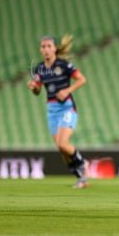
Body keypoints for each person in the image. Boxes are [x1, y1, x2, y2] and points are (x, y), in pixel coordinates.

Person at [28, 35, 89, 188]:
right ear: (40, 49)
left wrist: (67, 90)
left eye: (49, 46)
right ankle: (81, 178)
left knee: (63, 144)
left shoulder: (64, 65)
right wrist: (34, 87)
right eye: (43, 46)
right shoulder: (40, 68)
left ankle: (83, 163)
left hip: (66, 107)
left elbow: (82, 79)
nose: (46, 49)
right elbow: (37, 91)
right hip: (51, 109)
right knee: (62, 150)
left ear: (55, 48)